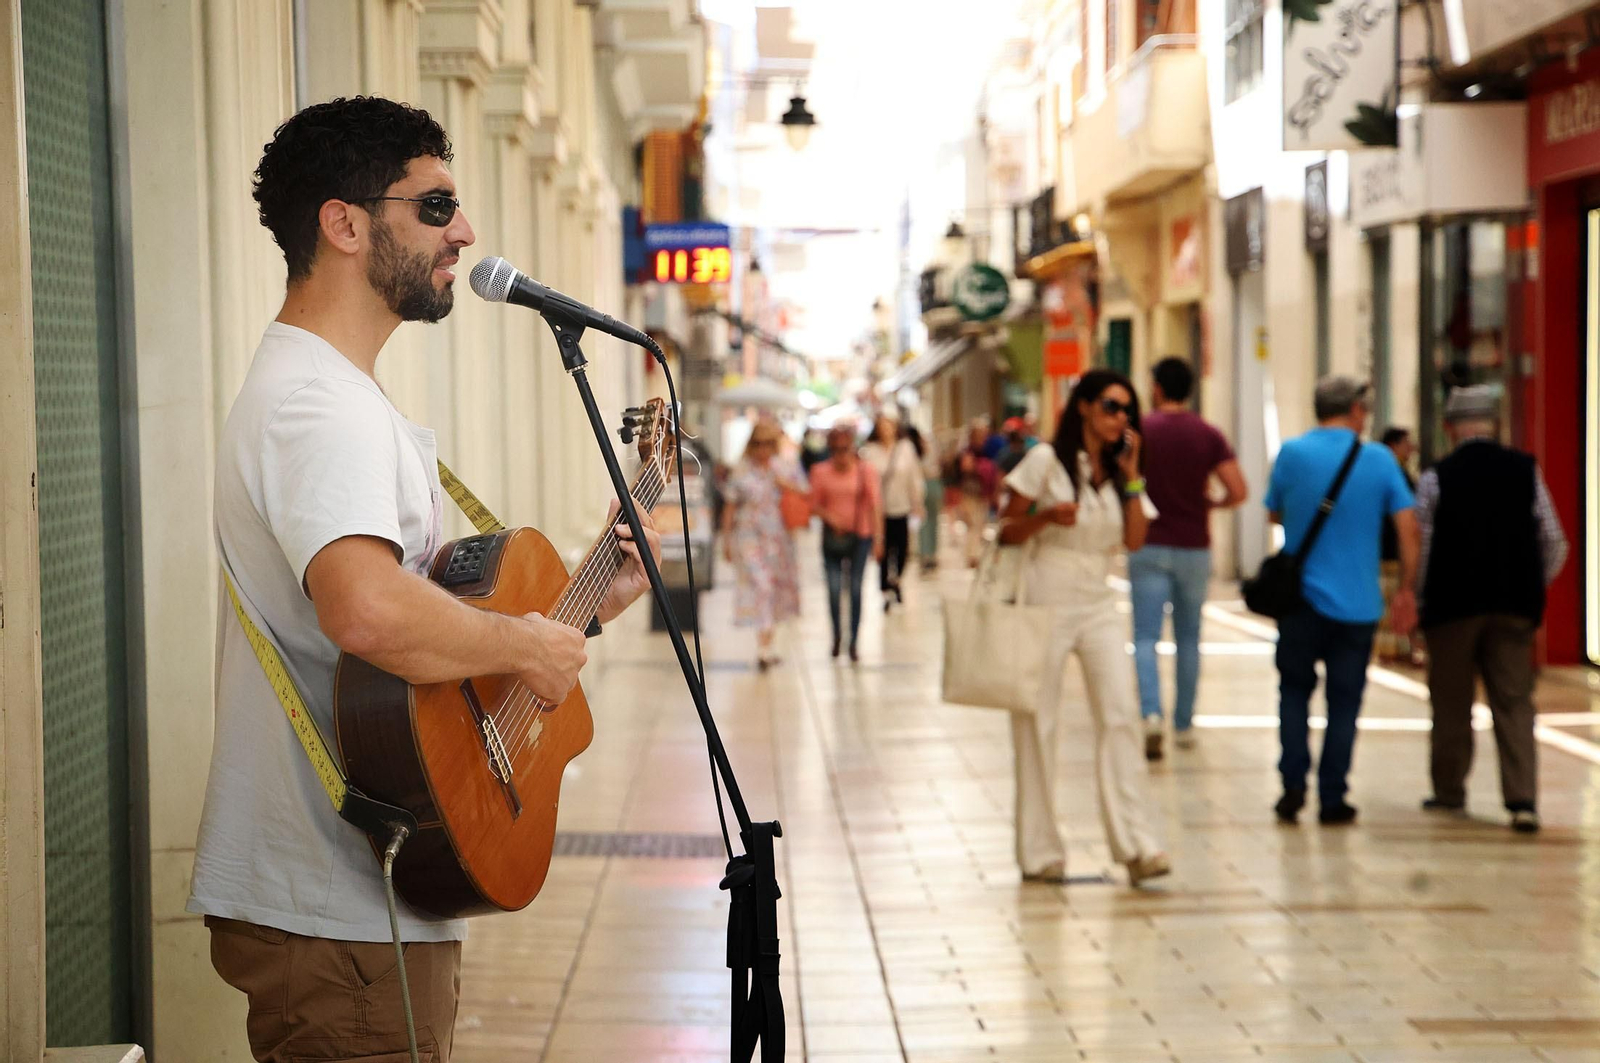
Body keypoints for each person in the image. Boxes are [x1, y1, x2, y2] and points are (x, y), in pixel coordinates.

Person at [188, 97, 661, 1062]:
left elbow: (406, 645)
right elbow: (367, 610)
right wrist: (526, 643)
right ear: (345, 224)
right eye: (437, 205)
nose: (467, 232)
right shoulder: (320, 405)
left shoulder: (336, 395)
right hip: (336, 912)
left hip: (361, 901)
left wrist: (580, 612)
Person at [999, 370, 1170, 888]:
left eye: (1127, 410)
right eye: (1111, 407)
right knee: (1038, 722)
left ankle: (1137, 844)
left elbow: (1135, 540)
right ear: (1084, 408)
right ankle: (1039, 851)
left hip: (1097, 597)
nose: (1120, 418)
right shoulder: (1045, 461)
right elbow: (1006, 530)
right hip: (1045, 592)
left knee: (1120, 713)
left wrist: (1133, 476)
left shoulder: (1120, 472)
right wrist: (1046, 517)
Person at [1264, 376, 1418, 826]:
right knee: (1345, 702)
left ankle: (1293, 784)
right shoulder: (1379, 459)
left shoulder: (1291, 453)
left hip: (1300, 602)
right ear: (1354, 410)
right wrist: (1407, 588)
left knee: (1294, 691)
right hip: (1358, 605)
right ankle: (1333, 796)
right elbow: (1408, 530)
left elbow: (1274, 511)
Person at [1417, 386, 1568, 833]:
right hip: (1513, 607)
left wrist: (1420, 598)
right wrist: (1531, 585)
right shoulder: (1526, 471)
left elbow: (1425, 548)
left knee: (1451, 702)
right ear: (1496, 425)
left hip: (1452, 607)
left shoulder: (1436, 478)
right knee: (1514, 701)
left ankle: (1450, 792)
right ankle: (1522, 800)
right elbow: (1554, 540)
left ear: (1450, 428)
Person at [1129, 357, 1248, 760]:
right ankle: (1183, 725)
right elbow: (1238, 489)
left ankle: (1150, 714)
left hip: (1147, 543)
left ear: (1157, 388)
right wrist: (1213, 503)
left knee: (1145, 637)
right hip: (1194, 546)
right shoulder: (1208, 434)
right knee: (1189, 638)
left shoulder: (1141, 431)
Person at [720, 420, 805, 670]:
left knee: (775, 589)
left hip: (779, 539)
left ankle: (768, 644)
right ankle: (763, 648)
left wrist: (784, 484)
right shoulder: (741, 471)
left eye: (768, 444)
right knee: (762, 586)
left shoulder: (784, 467)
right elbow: (730, 506)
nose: (763, 449)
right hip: (749, 537)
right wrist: (726, 540)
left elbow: (804, 493)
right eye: (758, 444)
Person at [809, 424, 884, 661]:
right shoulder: (820, 471)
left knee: (855, 588)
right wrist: (831, 518)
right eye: (836, 449)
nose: (841, 455)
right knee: (833, 589)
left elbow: (875, 504)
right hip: (832, 538)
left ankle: (853, 641)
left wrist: (878, 538)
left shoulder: (865, 471)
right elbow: (812, 504)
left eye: (845, 449)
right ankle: (836, 636)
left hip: (860, 536)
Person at [860, 414, 924, 612]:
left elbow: (915, 476)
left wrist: (917, 502)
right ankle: (886, 589)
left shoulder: (905, 448)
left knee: (903, 549)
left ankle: (896, 580)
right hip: (878, 511)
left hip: (902, 506)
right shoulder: (870, 451)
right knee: (884, 550)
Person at [1376, 427, 1420, 662]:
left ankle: (1396, 648)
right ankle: (1392, 649)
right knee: (1393, 596)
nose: (1411, 448)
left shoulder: (1386, 471)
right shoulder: (1393, 473)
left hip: (1387, 547)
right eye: (1406, 443)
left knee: (1391, 597)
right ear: (1393, 445)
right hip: (1392, 547)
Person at [948, 420, 999, 567]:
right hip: (969, 492)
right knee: (973, 525)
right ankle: (972, 555)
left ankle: (974, 554)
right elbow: (963, 470)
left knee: (979, 524)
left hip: (982, 493)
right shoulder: (967, 451)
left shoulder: (986, 451)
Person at [906, 424, 942, 572]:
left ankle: (928, 554)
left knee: (927, 521)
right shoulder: (920, 448)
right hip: (928, 484)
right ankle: (928, 554)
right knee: (927, 521)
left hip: (927, 485)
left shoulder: (913, 450)